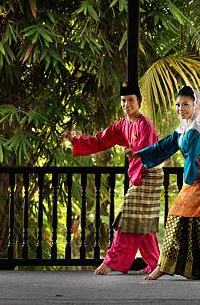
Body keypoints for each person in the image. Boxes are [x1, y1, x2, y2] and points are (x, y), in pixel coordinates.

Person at [62, 81, 163, 275]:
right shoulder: (122, 125)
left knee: (128, 217)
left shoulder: (145, 125)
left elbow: (149, 152)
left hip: (148, 176)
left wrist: (135, 152)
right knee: (140, 221)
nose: (127, 104)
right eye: (123, 101)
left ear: (139, 101)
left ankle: (111, 262)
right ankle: (156, 263)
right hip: (138, 176)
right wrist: (74, 141)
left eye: (131, 100)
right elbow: (101, 140)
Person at [137, 86, 200, 280]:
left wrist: (187, 184)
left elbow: (193, 159)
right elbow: (166, 145)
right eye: (178, 104)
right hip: (196, 178)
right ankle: (198, 269)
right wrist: (140, 154)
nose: (180, 108)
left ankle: (165, 267)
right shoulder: (184, 128)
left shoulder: (196, 130)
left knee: (180, 215)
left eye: (185, 104)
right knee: (192, 220)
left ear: (196, 105)